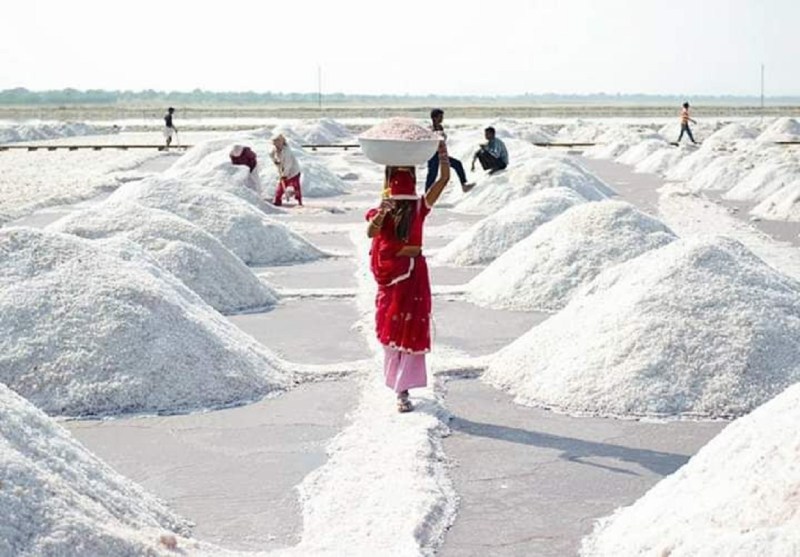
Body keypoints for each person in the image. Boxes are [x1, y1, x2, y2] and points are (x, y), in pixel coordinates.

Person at [365, 141, 451, 413]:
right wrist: (383, 211)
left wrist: (442, 152)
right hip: (395, 276)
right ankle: (400, 391)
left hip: (414, 273)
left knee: (411, 328)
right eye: (399, 174)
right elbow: (371, 233)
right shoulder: (384, 208)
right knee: (395, 327)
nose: (406, 178)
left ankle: (404, 389)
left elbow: (444, 179)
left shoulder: (418, 206)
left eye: (408, 173)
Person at [425, 109, 474, 193]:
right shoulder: (430, 129)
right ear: (434, 118)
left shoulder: (440, 127)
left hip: (441, 154)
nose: (442, 118)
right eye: (440, 117)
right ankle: (426, 195)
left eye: (442, 116)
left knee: (457, 164)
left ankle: (464, 185)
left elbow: (442, 140)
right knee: (432, 175)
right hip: (433, 155)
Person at [270, 133, 302, 206]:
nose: (275, 146)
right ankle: (277, 200)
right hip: (284, 170)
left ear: (281, 143)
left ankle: (299, 200)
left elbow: (288, 165)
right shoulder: (276, 149)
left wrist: (284, 175)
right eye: (274, 144)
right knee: (281, 187)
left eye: (277, 144)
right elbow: (271, 154)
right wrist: (275, 160)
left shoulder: (287, 152)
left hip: (293, 172)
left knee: (296, 187)